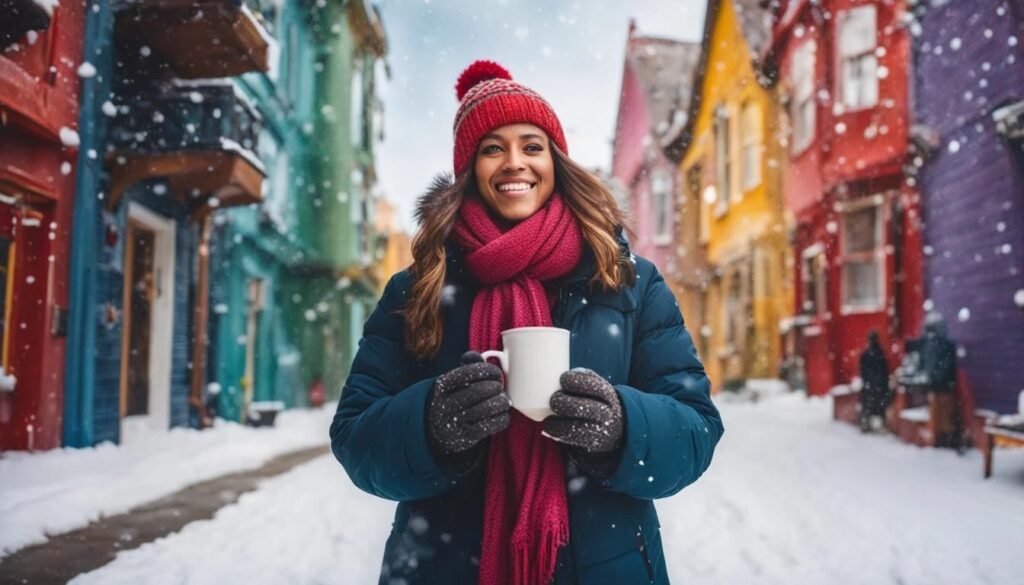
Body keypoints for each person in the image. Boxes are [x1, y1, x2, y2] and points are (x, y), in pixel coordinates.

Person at [329, 60, 723, 585]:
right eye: (493, 148)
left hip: (603, 566)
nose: (515, 162)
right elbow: (355, 436)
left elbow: (696, 427)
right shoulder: (418, 286)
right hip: (446, 566)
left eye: (532, 146)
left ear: (555, 161)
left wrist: (623, 427)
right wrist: (431, 426)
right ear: (471, 167)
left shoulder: (627, 281)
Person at [919, 313, 960, 449]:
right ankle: (944, 440)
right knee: (944, 417)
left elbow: (930, 366)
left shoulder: (931, 345)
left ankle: (940, 441)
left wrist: (932, 379)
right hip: (945, 386)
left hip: (938, 386)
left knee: (938, 417)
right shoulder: (946, 344)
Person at [858, 331, 891, 433]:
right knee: (880, 406)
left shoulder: (866, 354)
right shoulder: (881, 353)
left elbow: (862, 370)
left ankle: (866, 424)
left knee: (868, 406)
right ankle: (882, 424)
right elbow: (885, 370)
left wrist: (866, 381)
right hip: (879, 385)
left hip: (870, 385)